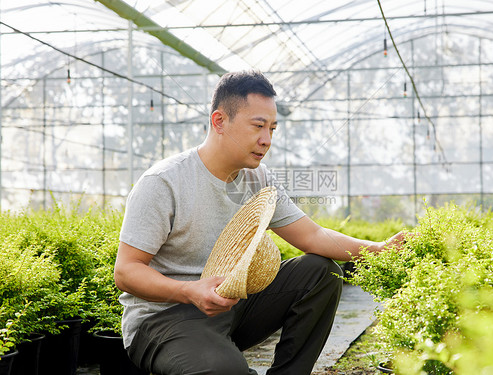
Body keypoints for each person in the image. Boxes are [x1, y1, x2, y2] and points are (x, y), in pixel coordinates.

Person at [114, 70, 407, 375]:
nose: (266, 140)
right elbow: (126, 271)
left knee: (322, 272)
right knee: (227, 371)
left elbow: (313, 235)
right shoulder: (164, 182)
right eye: (258, 126)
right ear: (219, 121)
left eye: (272, 128)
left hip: (229, 305)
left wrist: (379, 249)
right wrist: (190, 291)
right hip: (165, 320)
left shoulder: (258, 178)